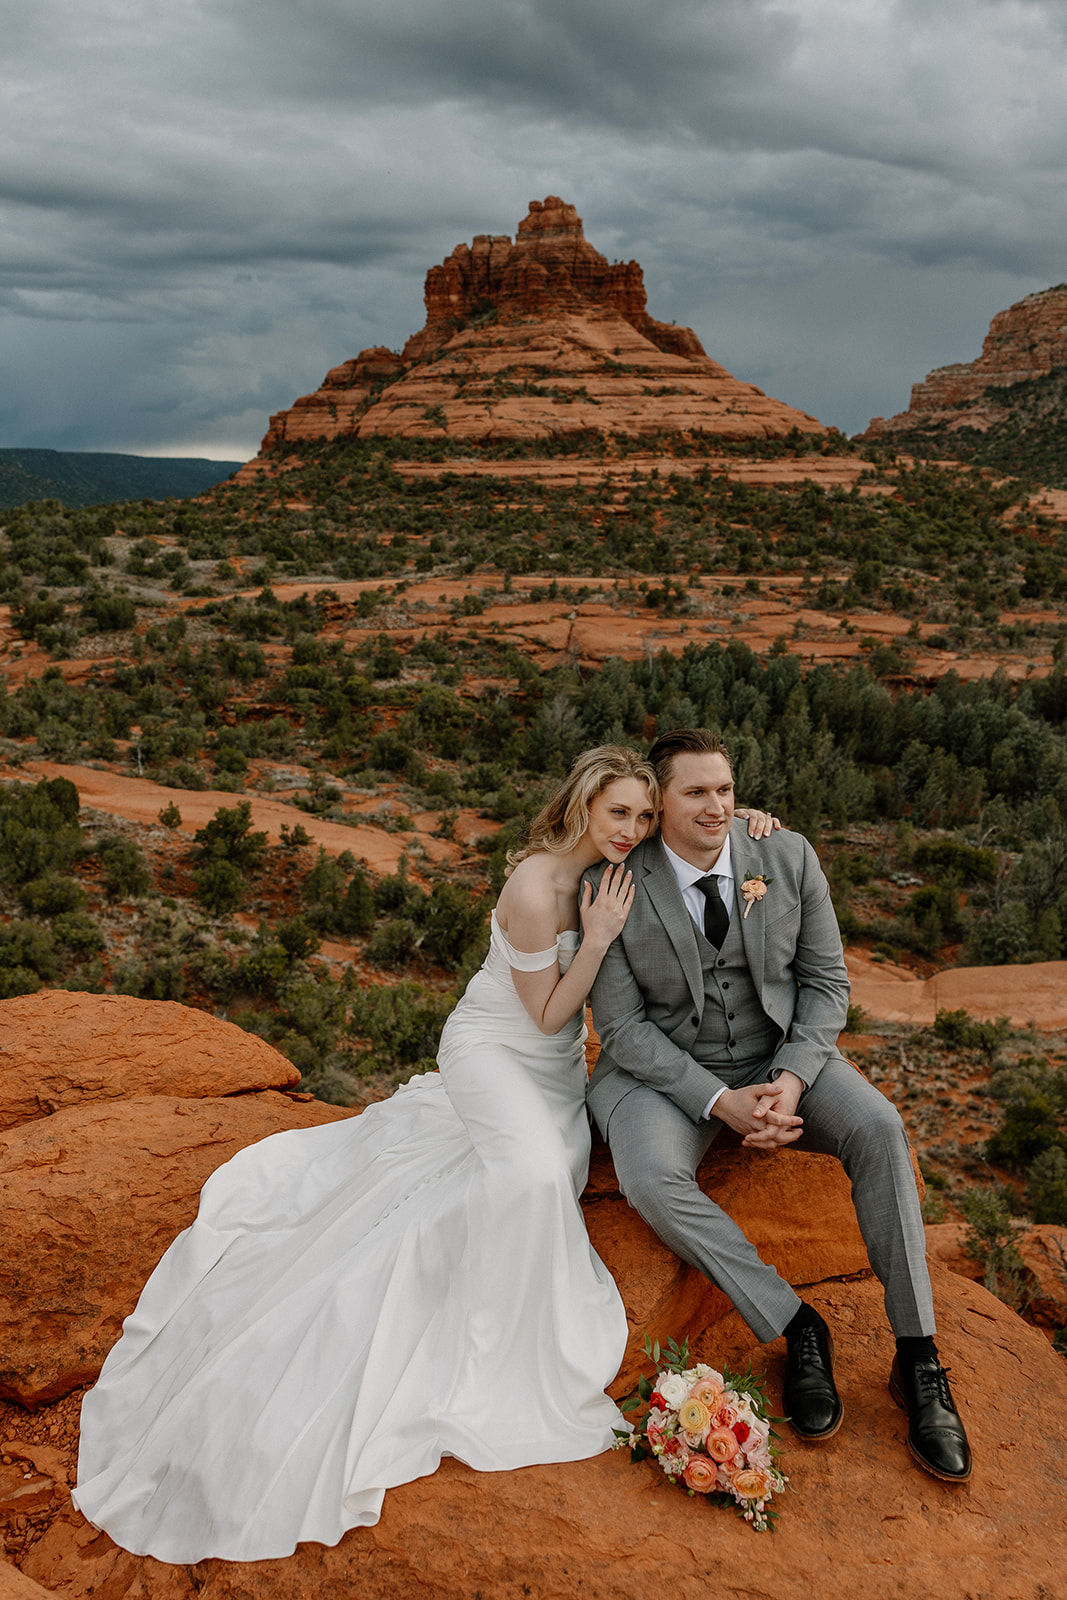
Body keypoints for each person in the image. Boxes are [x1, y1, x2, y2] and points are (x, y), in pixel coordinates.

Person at [72, 742, 777, 1562]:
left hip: (550, 1076)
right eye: (617, 812)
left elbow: (713, 834)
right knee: (533, 1176)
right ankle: (471, 1353)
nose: (632, 828)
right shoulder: (537, 885)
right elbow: (547, 1014)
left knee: (544, 1166)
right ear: (583, 806)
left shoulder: (625, 865)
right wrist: (598, 938)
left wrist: (756, 823)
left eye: (642, 815)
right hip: (492, 1051)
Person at [585, 727, 972, 1484]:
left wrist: (791, 1080)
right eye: (694, 792)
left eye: (724, 790)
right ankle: (795, 1325)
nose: (715, 805)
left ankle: (918, 1360)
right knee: (650, 1176)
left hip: (779, 1055)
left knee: (880, 1128)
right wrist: (719, 1101)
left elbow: (827, 986)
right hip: (667, 1074)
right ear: (658, 800)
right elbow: (621, 1028)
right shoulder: (614, 882)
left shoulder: (785, 855)